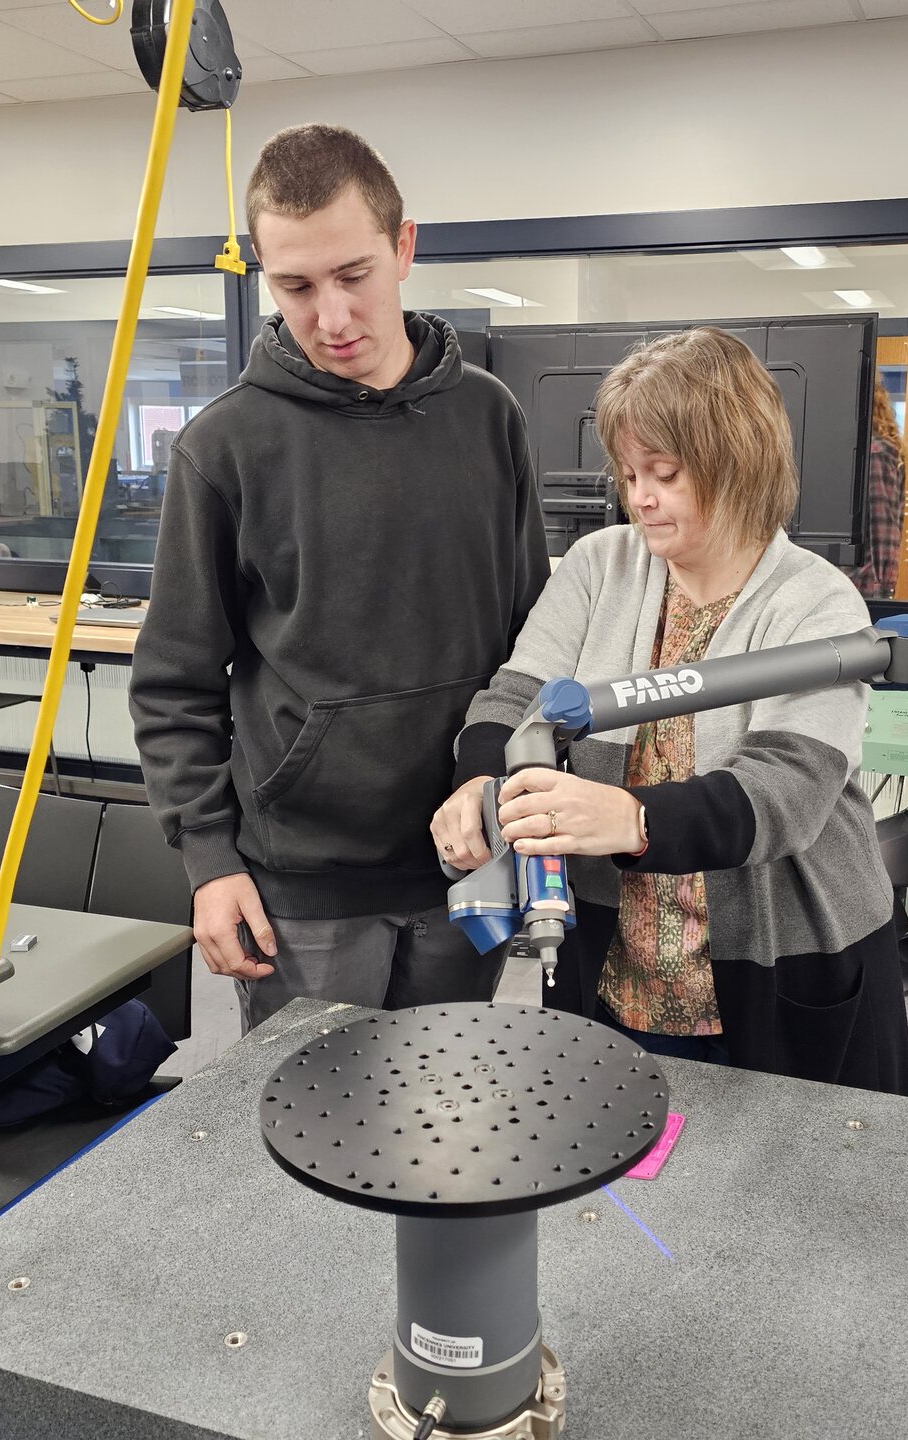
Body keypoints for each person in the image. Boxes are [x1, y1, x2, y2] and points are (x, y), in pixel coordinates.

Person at [130, 124, 548, 1033]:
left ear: (404, 248)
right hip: (301, 890)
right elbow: (173, 682)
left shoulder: (490, 418)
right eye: (296, 286)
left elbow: (532, 641)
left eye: (353, 275)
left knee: (451, 1105)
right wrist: (209, 860)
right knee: (309, 1109)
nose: (330, 317)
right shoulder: (224, 446)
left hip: (466, 858)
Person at [432, 328, 908, 1095]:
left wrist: (629, 818)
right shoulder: (600, 565)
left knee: (780, 1165)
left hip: (780, 965)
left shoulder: (816, 600)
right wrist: (476, 783)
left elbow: (785, 791)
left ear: (738, 463)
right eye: (629, 474)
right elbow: (516, 695)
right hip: (619, 971)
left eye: (665, 473)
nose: (640, 497)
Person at [850, 378, 906, 599]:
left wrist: (883, 586)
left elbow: (882, 528)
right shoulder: (867, 451)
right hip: (857, 580)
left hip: (863, 583)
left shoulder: (875, 453)